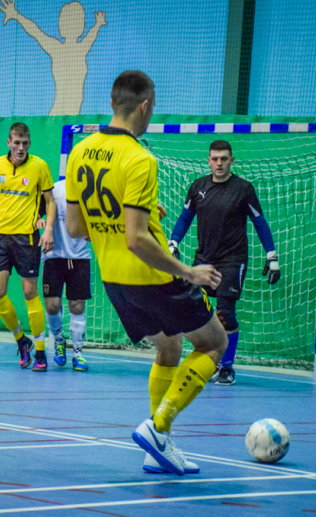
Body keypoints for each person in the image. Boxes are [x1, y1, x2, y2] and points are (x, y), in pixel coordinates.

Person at [65, 70, 229, 476]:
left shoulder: (80, 151)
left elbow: (74, 228)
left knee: (169, 347)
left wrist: (125, 219)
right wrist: (188, 272)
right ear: (145, 106)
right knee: (214, 343)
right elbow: (138, 240)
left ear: (111, 103)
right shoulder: (140, 158)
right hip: (153, 277)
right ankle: (159, 427)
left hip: (114, 281)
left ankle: (155, 449)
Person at [167, 140, 280, 386]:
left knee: (225, 314)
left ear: (232, 161)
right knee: (197, 312)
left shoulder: (243, 189)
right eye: (215, 159)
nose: (219, 163)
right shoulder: (197, 187)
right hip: (203, 259)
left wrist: (272, 256)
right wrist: (173, 241)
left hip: (233, 260)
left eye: (224, 159)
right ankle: (210, 359)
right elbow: (185, 217)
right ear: (208, 161)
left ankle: (227, 368)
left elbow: (259, 222)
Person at [0, 123, 56, 371]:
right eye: (16, 143)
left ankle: (41, 351)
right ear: (8, 143)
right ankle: (22, 341)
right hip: (1, 237)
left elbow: (50, 201)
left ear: (29, 144)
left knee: (30, 293)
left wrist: (49, 229)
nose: (21, 147)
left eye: (25, 143)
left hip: (27, 238)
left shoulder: (39, 166)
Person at [0, 0, 106, 116]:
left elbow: (92, 34)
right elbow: (35, 31)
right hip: (58, 115)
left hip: (72, 116)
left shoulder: (79, 48)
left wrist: (98, 24)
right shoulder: (61, 48)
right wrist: (15, 15)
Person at [39, 178, 92, 371]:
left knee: (77, 306)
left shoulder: (91, 193)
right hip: (53, 255)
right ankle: (59, 340)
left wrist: (93, 231)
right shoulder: (53, 190)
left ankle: (78, 353)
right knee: (52, 306)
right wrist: (39, 219)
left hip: (80, 257)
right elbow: (38, 209)